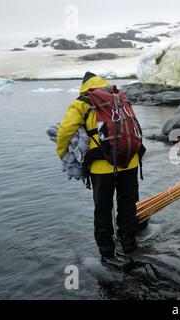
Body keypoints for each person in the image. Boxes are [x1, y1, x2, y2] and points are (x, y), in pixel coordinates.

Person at [56, 72, 144, 259]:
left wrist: (63, 153)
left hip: (101, 165)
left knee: (103, 208)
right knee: (127, 203)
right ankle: (129, 245)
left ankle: (106, 252)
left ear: (84, 85)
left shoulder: (83, 101)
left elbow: (65, 130)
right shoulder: (119, 97)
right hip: (130, 161)